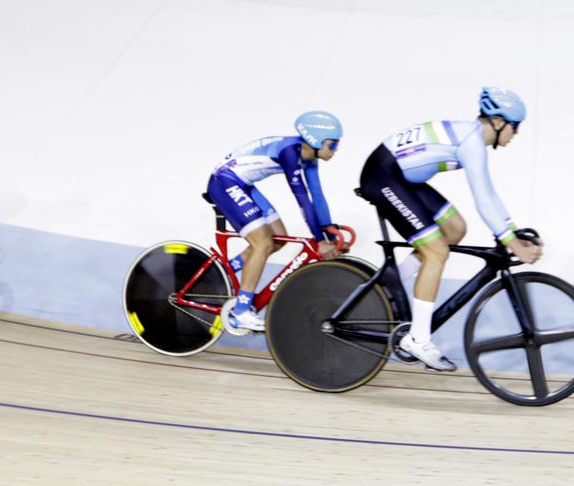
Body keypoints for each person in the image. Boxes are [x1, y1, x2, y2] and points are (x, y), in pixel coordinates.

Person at [357, 87, 542, 371]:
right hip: (382, 175)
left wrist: (512, 232)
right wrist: (513, 244)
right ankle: (417, 339)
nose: (515, 134)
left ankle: (392, 282)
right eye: (515, 127)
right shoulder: (472, 142)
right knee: (436, 252)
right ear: (499, 121)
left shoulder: (472, 138)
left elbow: (489, 194)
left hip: (403, 178)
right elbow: (482, 197)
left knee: (455, 229)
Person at [207, 111, 343, 331]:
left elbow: (317, 196)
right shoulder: (290, 154)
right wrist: (319, 240)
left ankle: (225, 270)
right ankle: (241, 311)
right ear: (316, 141)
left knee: (279, 239)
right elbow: (302, 200)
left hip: (244, 184)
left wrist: (329, 231)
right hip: (225, 180)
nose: (335, 150)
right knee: (262, 243)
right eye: (333, 145)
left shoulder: (309, 158)